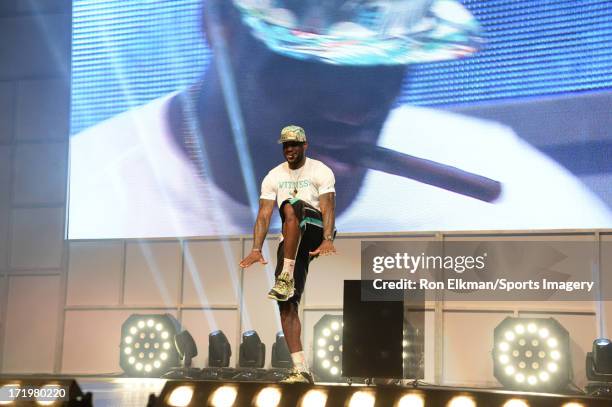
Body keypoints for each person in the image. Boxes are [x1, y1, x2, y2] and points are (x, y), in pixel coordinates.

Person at [68, 0, 612, 239]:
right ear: (217, 23)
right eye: (309, 64)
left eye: (388, 63)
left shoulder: (508, 184)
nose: (355, 107)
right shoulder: (77, 206)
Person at [239, 125, 337, 384]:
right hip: (292, 237)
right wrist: (256, 249)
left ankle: (285, 275)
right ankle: (301, 369)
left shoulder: (320, 170)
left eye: (294, 144)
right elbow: (263, 214)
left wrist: (328, 238)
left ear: (305, 145)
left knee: (291, 206)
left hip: (315, 227)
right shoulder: (273, 176)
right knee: (287, 302)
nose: (290, 149)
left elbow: (327, 206)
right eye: (285, 145)